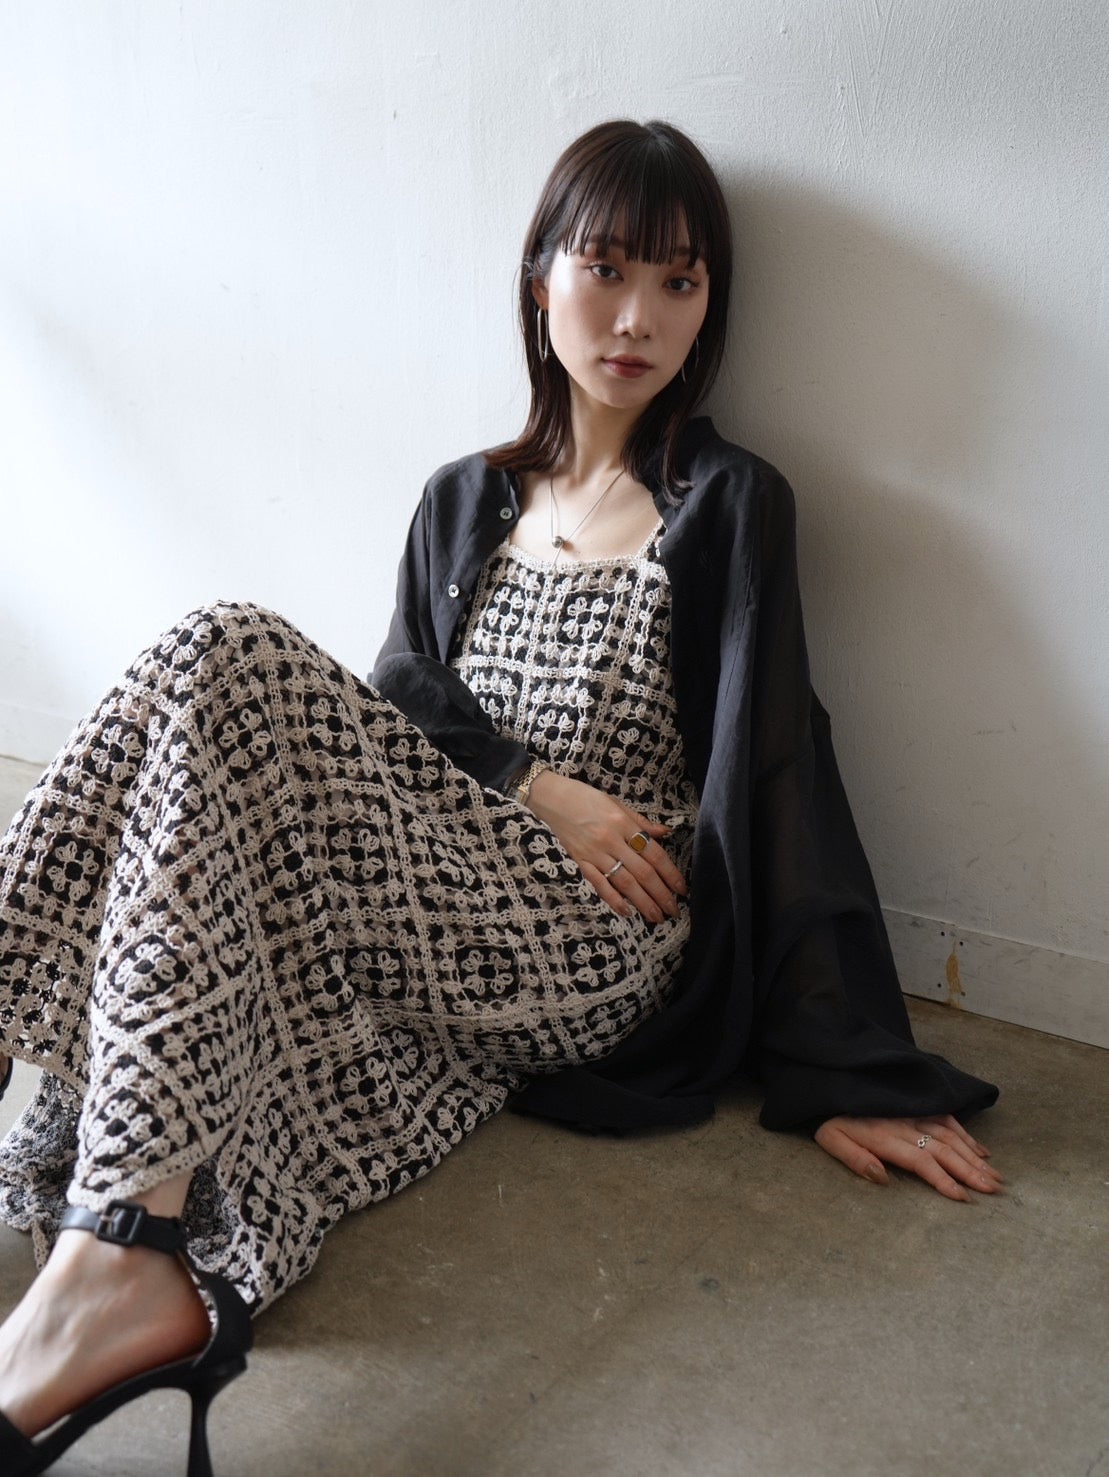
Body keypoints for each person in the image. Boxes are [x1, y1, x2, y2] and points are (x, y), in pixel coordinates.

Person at [0, 119, 1000, 1474]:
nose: (639, 318)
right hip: (452, 882)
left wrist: (832, 1058)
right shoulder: (465, 498)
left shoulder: (727, 503)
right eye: (606, 269)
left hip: (600, 928)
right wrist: (538, 785)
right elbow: (395, 708)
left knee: (225, 649)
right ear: (541, 280)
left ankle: (117, 1257)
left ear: (710, 307)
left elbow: (777, 762)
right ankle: (117, 1246)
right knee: (206, 709)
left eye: (680, 282)